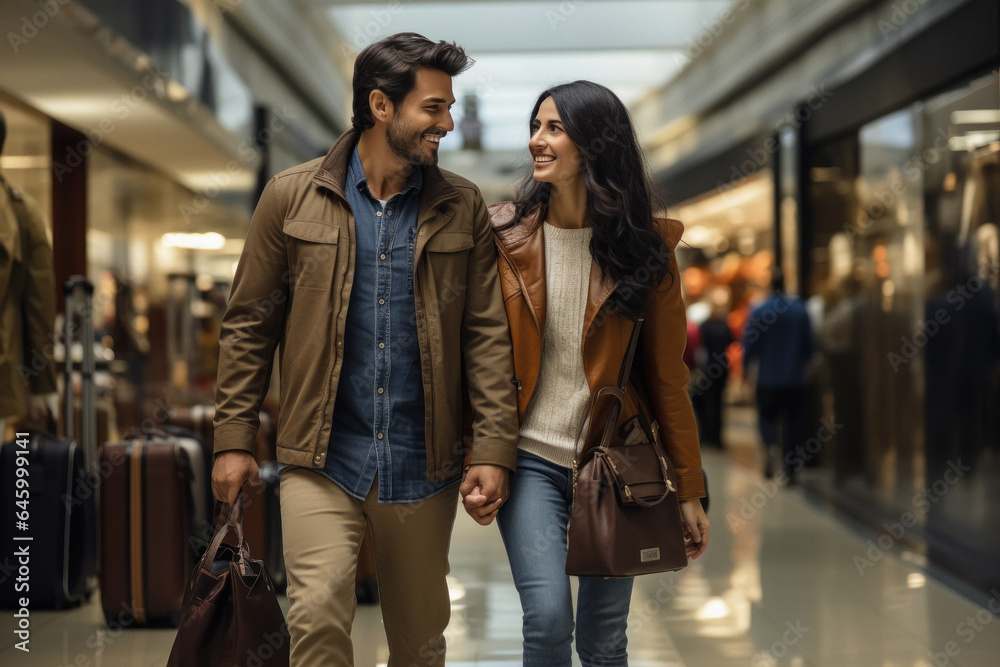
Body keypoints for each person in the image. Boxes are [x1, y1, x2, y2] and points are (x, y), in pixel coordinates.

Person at [210, 33, 519, 666]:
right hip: (320, 455)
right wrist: (234, 438)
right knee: (317, 616)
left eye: (449, 107)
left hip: (423, 459)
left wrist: (491, 448)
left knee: (420, 639)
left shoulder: (462, 208)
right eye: (433, 108)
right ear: (381, 106)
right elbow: (247, 326)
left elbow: (486, 337)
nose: (449, 123)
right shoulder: (290, 198)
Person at [465, 80, 709, 667]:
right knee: (547, 620)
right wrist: (478, 452)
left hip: (613, 460)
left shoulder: (646, 250)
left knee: (603, 639)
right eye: (535, 127)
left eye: (554, 128)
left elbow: (667, 381)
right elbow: (478, 357)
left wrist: (690, 489)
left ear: (596, 143)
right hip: (529, 462)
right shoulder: (503, 237)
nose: (536, 142)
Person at [0, 108, 58, 440]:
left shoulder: (21, 212)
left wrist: (43, 381)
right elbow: (38, 305)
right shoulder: (22, 210)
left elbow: (38, 304)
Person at [742, 267, 814, 480]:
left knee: (766, 418)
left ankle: (771, 446)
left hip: (768, 378)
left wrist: (746, 370)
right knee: (794, 422)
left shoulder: (759, 310)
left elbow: (750, 344)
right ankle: (791, 469)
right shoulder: (800, 310)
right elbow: (809, 345)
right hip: (795, 378)